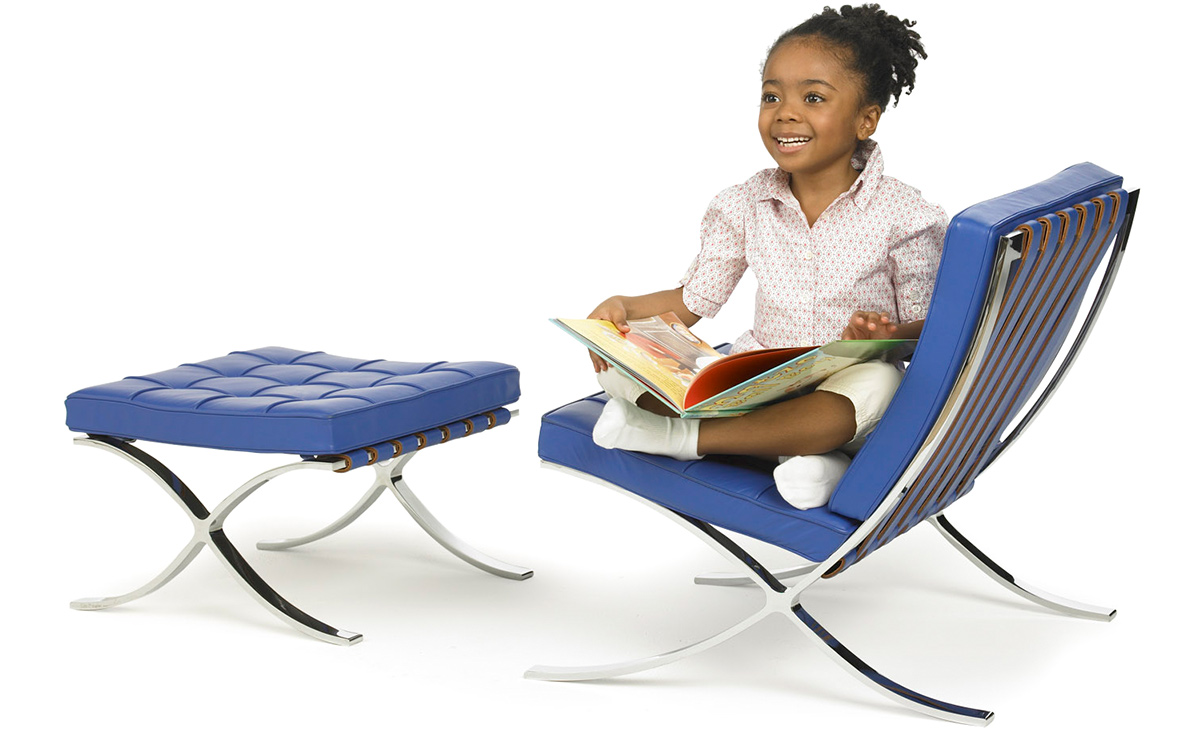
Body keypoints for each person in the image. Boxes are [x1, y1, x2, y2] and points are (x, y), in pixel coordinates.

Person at [587, 3, 948, 510]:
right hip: (760, 378)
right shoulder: (744, 203)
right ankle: (812, 461)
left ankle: (685, 438)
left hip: (846, 383)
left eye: (813, 97)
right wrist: (625, 310)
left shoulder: (907, 217)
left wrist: (884, 335)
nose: (785, 113)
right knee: (615, 367)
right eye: (771, 96)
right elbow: (692, 302)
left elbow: (931, 333)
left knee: (878, 385)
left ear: (866, 119)